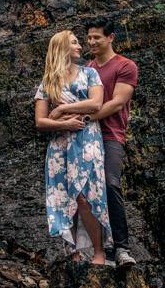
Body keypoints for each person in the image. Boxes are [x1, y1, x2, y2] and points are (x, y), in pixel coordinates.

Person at [33, 29, 112, 264]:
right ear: (61, 48)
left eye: (79, 42)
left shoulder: (90, 74)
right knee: (66, 198)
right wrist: (65, 122)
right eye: (74, 42)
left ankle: (99, 251)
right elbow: (39, 121)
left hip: (87, 141)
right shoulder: (48, 83)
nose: (80, 46)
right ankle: (73, 252)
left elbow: (96, 104)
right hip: (60, 146)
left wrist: (64, 109)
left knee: (87, 196)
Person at [84, 19, 138, 266]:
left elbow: (118, 102)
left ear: (111, 38)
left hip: (110, 135)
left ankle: (121, 248)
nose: (92, 42)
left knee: (110, 183)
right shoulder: (87, 68)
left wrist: (87, 118)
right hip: (84, 136)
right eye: (89, 38)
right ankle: (93, 248)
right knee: (83, 191)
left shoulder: (125, 66)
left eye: (97, 37)